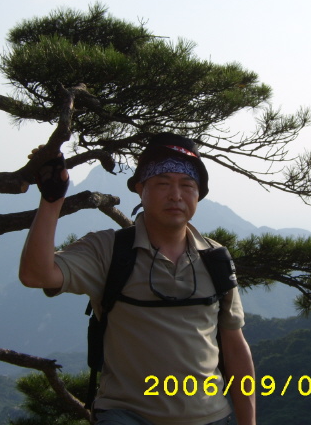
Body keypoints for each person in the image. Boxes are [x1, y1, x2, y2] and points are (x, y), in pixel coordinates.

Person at [19, 133, 256, 425]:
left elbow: (234, 345)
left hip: (211, 416)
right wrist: (52, 199)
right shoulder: (108, 250)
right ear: (141, 189)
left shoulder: (216, 257)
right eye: (163, 183)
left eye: (187, 185)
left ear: (199, 195)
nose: (176, 195)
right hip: (127, 416)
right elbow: (36, 274)